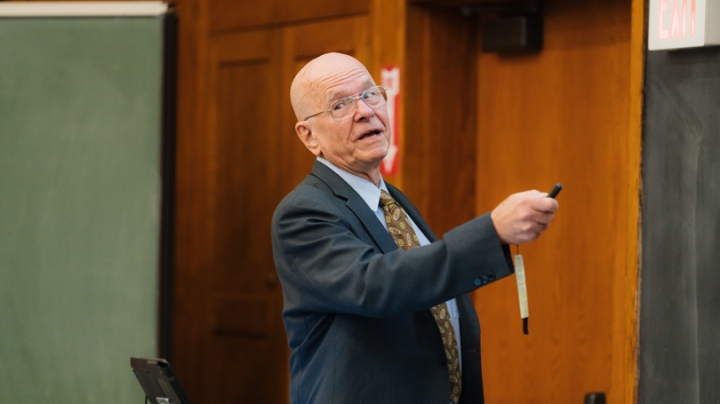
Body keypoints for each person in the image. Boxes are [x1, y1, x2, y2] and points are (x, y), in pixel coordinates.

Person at [271, 52, 558, 404]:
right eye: (340, 105)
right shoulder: (303, 212)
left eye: (369, 94)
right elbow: (378, 284)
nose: (364, 111)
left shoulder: (392, 199)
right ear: (309, 135)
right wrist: (492, 231)